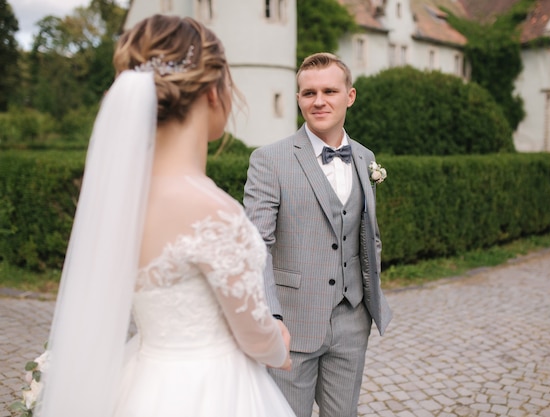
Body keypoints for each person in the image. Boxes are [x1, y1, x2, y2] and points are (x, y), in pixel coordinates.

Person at [34, 15, 296, 417]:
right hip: (212, 389)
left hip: (141, 378)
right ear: (213, 92)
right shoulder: (212, 210)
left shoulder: (120, 197)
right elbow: (254, 335)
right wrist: (278, 344)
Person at [243, 52, 393, 417]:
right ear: (298, 99)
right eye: (309, 93)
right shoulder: (269, 160)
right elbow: (254, 246)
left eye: (329, 90)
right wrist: (272, 317)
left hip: (352, 318)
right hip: (292, 322)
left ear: (350, 96)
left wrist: (367, 304)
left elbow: (364, 233)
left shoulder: (364, 157)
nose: (319, 100)